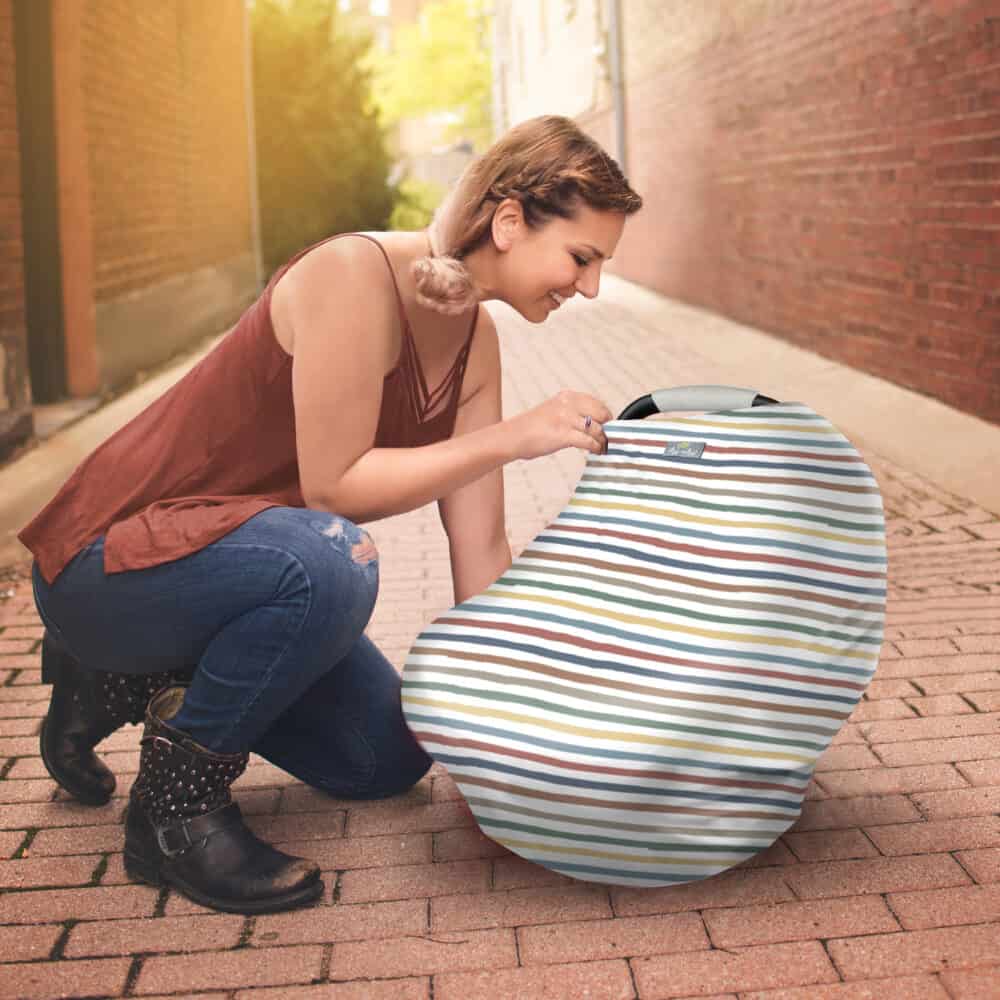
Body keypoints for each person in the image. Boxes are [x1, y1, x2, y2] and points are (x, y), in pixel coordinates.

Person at [19, 114, 643, 914]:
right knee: (333, 560)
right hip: (106, 562)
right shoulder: (355, 276)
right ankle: (174, 814)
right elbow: (336, 488)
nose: (587, 286)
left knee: (384, 759)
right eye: (582, 258)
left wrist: (515, 733)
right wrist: (515, 438)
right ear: (511, 220)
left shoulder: (475, 343)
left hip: (227, 569)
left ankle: (112, 680)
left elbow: (482, 545)